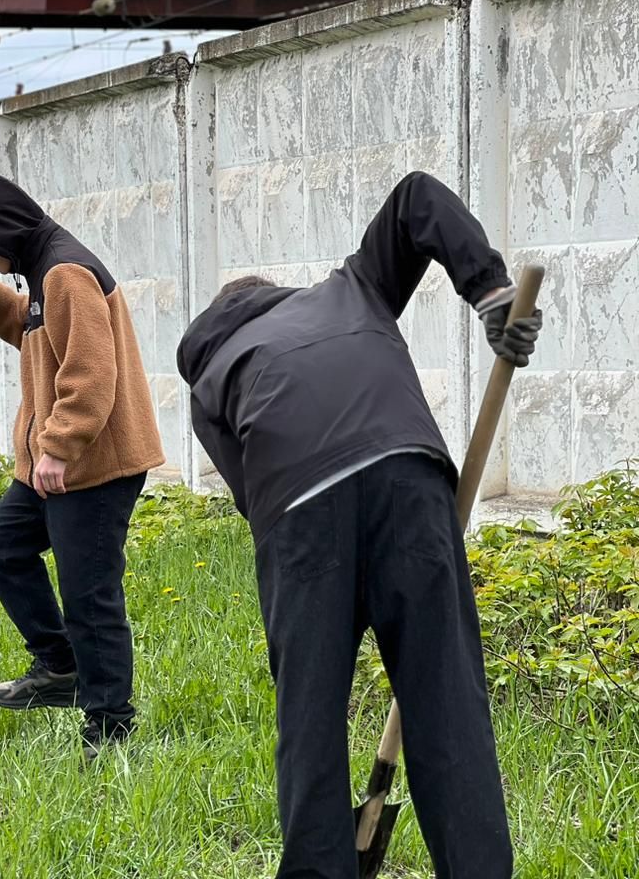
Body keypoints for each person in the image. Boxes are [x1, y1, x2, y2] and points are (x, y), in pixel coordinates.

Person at [177, 172, 541, 878]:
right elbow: (415, 198)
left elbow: (254, 501)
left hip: (299, 511)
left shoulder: (211, 377)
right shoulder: (350, 289)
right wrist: (488, 289)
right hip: (410, 481)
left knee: (309, 725)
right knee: (447, 709)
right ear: (271, 297)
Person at [0, 174, 165, 759]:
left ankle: (110, 722)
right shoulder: (43, 271)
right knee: (1, 545)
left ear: (1, 232)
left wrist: (57, 446)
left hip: (95, 464)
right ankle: (61, 666)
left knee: (90, 593)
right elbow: (42, 334)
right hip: (59, 463)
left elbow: (91, 374)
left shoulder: (66, 272)